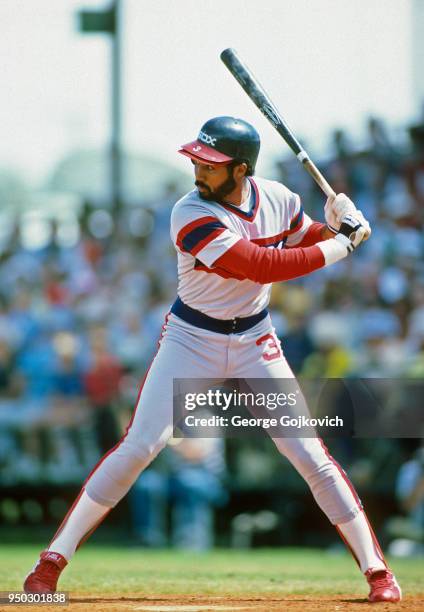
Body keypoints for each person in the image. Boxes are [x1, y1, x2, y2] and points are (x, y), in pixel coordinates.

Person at [24, 116, 401, 603]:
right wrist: (342, 243)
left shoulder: (280, 198)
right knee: (140, 445)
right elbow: (260, 264)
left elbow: (299, 237)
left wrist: (336, 224)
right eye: (198, 160)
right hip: (191, 338)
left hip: (255, 339)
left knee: (308, 453)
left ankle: (377, 573)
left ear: (241, 170)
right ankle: (51, 563)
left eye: (212, 164)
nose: (199, 170)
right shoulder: (190, 213)